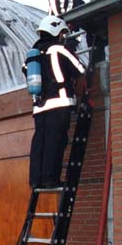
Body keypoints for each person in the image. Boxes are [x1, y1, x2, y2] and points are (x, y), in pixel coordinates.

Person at [23, 15, 86, 189]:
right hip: (59, 104)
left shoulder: (32, 55)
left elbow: (26, 72)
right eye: (62, 33)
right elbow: (80, 69)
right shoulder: (59, 49)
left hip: (39, 107)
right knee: (55, 142)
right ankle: (50, 180)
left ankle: (36, 180)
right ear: (57, 31)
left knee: (39, 144)